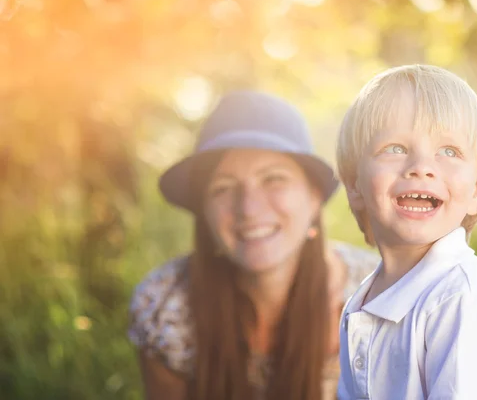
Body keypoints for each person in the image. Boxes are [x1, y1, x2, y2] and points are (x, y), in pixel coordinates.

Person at [128, 90, 379, 400]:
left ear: (314, 197)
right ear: (204, 210)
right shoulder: (165, 306)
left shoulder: (381, 297)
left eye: (273, 179)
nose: (248, 208)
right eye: (223, 187)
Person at [335, 64, 477, 399]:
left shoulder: (460, 303)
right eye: (395, 148)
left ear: (475, 191)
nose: (421, 168)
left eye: (449, 151)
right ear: (354, 184)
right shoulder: (363, 300)